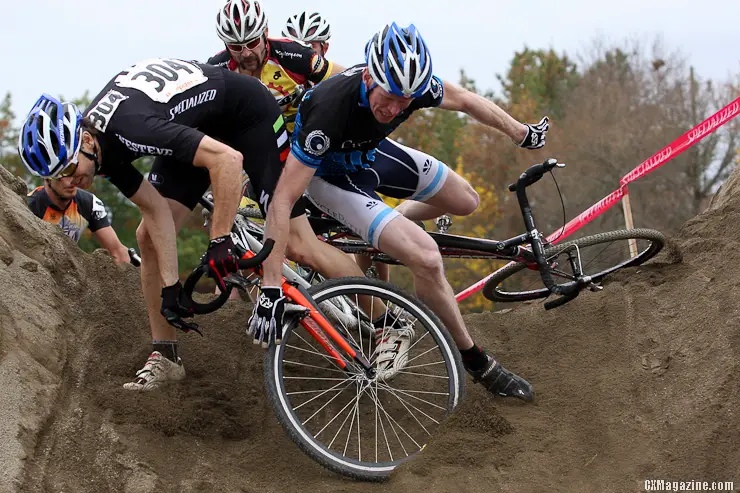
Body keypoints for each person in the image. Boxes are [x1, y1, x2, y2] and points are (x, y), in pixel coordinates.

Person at [16, 55, 358, 391]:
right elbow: (155, 210)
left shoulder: (130, 127)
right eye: (57, 176)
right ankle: (165, 357)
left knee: (299, 244)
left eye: (71, 169)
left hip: (246, 114)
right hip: (194, 126)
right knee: (146, 237)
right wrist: (169, 289)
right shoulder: (98, 148)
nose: (70, 182)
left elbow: (228, 160)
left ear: (86, 140)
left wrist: (219, 239)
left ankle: (387, 323)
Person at [252, 23, 551, 402]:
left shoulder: (411, 85)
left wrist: (520, 132)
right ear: (368, 76)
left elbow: (465, 99)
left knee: (466, 201)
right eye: (389, 98)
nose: (394, 109)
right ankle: (476, 360)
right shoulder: (329, 109)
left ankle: (397, 227)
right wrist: (270, 283)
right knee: (426, 257)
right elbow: (283, 198)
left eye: (404, 102)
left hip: (373, 156)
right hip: (330, 178)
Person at [27, 177, 131, 264]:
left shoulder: (90, 203)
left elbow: (117, 252)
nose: (71, 181)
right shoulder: (30, 206)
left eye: (73, 172)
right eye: (62, 176)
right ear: (47, 178)